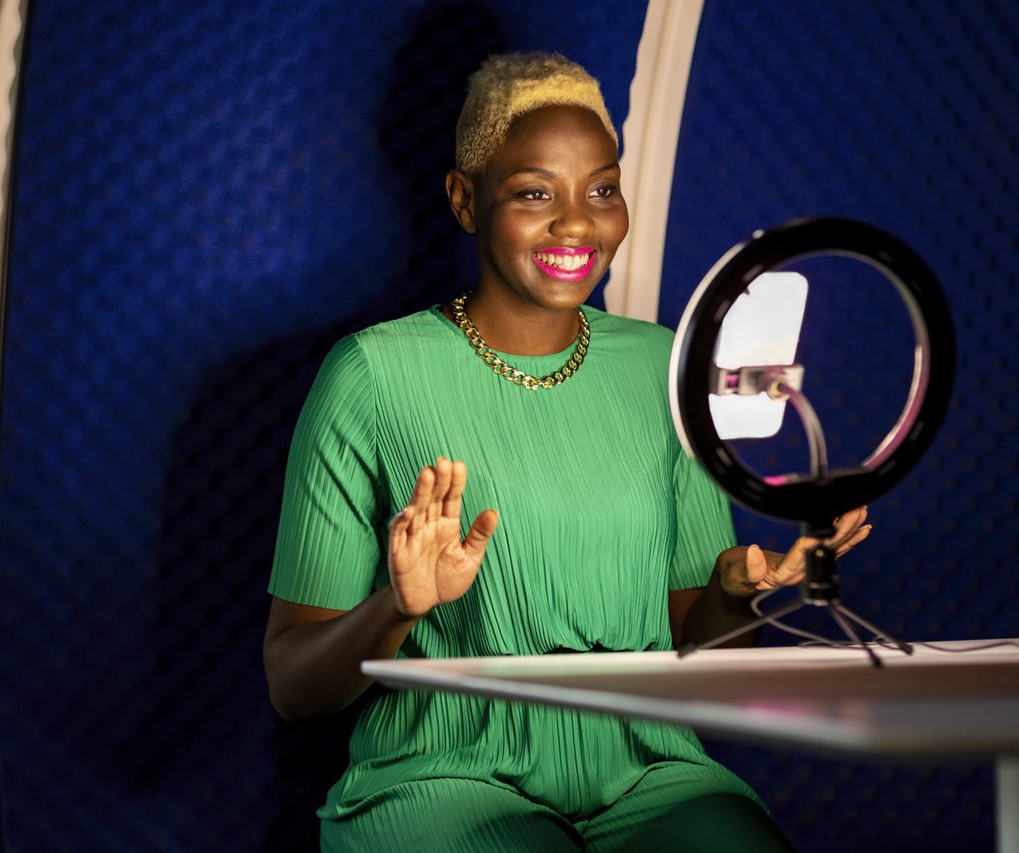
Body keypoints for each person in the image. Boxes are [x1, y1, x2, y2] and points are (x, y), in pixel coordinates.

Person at [263, 51, 869, 852]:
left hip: (649, 775)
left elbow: (696, 649)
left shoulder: (664, 368)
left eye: (602, 189)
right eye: (534, 193)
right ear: (464, 200)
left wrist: (736, 592)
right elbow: (293, 685)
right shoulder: (372, 374)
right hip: (442, 778)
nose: (577, 223)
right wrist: (398, 607)